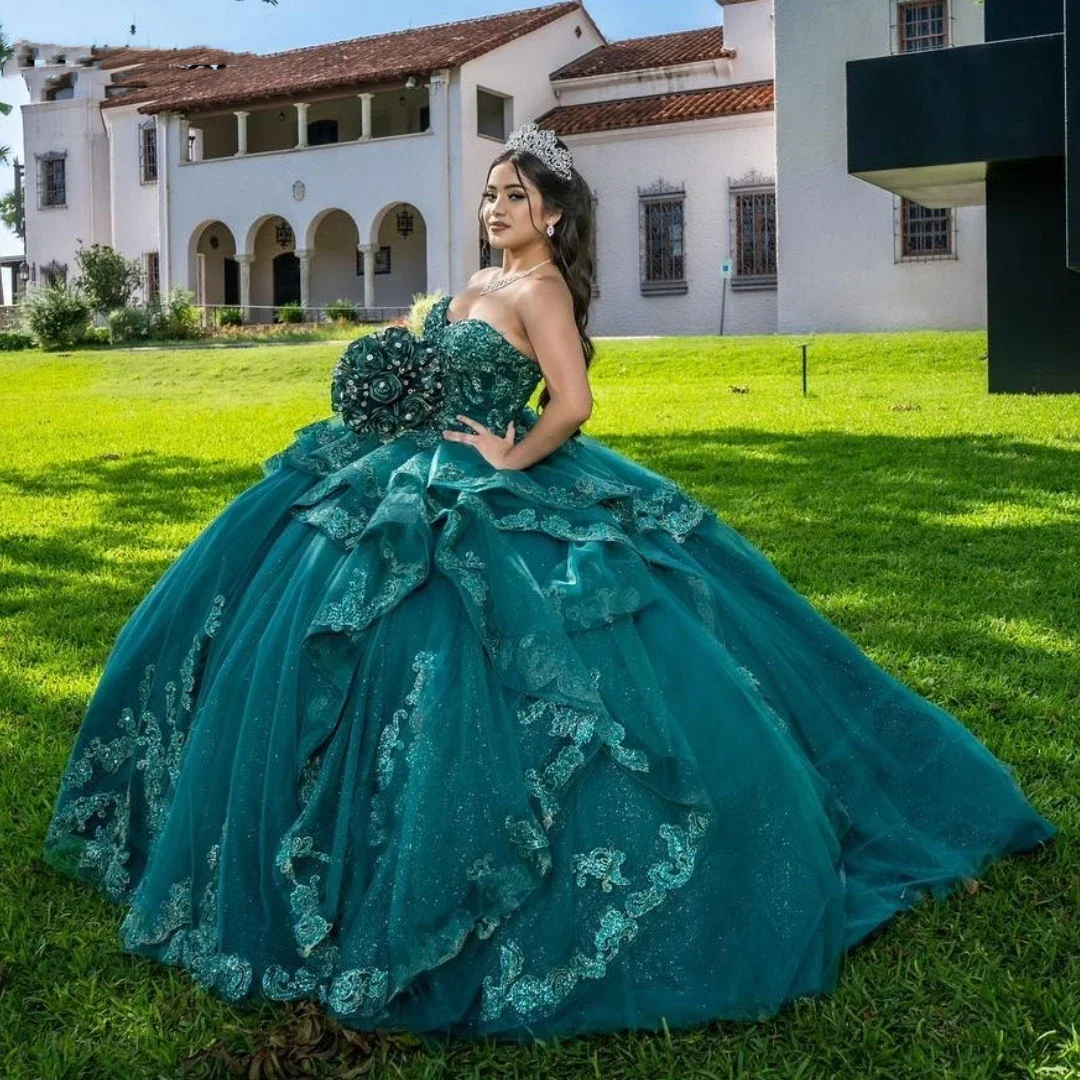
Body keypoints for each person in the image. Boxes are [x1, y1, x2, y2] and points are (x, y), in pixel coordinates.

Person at [43, 121, 1055, 1044]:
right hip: (405, 464)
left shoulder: (541, 291)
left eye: (517, 197)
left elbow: (571, 401)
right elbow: (419, 356)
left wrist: (510, 460)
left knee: (504, 646)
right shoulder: (471, 283)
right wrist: (388, 382)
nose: (498, 208)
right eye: (492, 192)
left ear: (555, 215)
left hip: (494, 475)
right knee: (302, 602)